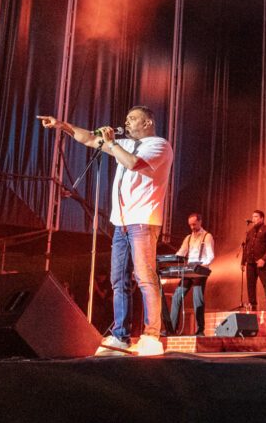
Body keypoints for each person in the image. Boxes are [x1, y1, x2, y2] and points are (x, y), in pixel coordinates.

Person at [37, 106, 173, 357]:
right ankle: (120, 337)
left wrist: (111, 144)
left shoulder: (159, 145)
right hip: (120, 223)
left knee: (145, 277)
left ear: (148, 122)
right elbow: (88, 137)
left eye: (132, 118)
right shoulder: (121, 143)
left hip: (143, 221)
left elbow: (133, 164)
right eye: (127, 118)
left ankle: (152, 336)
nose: (127, 122)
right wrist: (60, 125)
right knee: (117, 280)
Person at [169, 213, 214, 335]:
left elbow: (210, 256)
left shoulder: (207, 236)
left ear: (200, 222)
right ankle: (172, 329)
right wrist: (171, 258)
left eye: (194, 224)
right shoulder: (188, 238)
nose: (192, 227)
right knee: (177, 296)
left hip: (199, 269)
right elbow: (181, 252)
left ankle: (200, 330)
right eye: (190, 225)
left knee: (197, 299)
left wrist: (204, 265)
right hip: (189, 268)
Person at [241, 210, 266, 311]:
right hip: (250, 262)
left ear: (262, 218)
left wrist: (264, 259)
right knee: (250, 285)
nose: (253, 219)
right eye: (253, 217)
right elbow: (246, 247)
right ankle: (253, 304)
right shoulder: (250, 232)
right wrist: (243, 262)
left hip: (262, 262)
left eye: (256, 217)